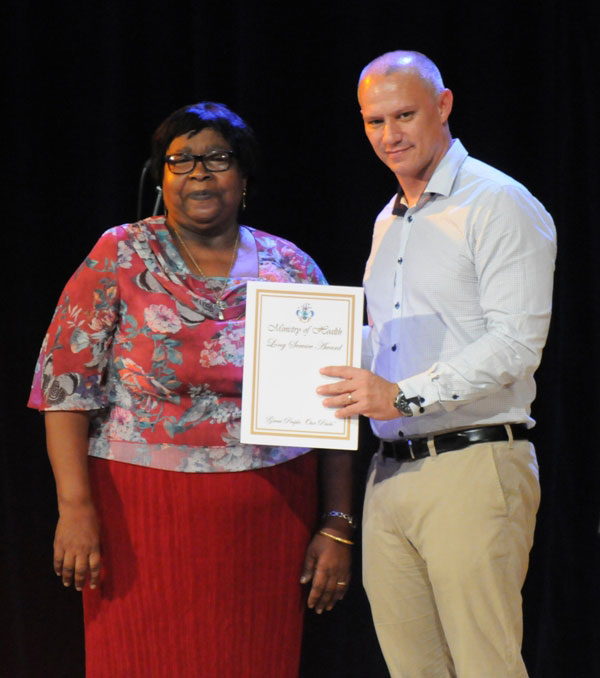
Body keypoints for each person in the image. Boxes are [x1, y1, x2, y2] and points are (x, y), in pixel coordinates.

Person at [28, 101, 354, 678]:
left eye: (217, 159)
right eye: (181, 160)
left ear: (244, 178)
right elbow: (64, 390)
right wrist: (74, 508)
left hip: (267, 518)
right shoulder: (119, 254)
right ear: (161, 177)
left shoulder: (291, 266)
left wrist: (336, 523)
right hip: (136, 516)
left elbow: (337, 407)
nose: (199, 172)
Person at [317, 51, 556, 677]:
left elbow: (515, 345)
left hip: (473, 464)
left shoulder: (498, 202)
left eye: (404, 115)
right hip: (391, 474)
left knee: (485, 667)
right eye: (374, 122)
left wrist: (401, 395)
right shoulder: (387, 221)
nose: (389, 135)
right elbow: (391, 345)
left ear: (443, 106)